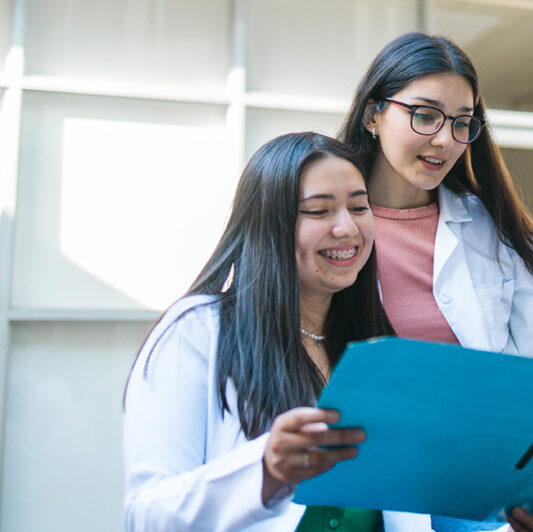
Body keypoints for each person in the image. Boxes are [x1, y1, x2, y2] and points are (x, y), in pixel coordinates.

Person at [338, 32, 533, 532]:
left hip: (511, 456)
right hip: (406, 469)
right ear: (373, 114)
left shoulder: (487, 226)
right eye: (424, 115)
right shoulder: (333, 230)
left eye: (462, 123)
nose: (445, 140)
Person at [123, 132, 424, 531]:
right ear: (268, 223)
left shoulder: (377, 349)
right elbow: (146, 514)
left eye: (358, 206)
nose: (347, 228)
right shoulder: (197, 330)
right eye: (318, 210)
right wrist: (265, 471)